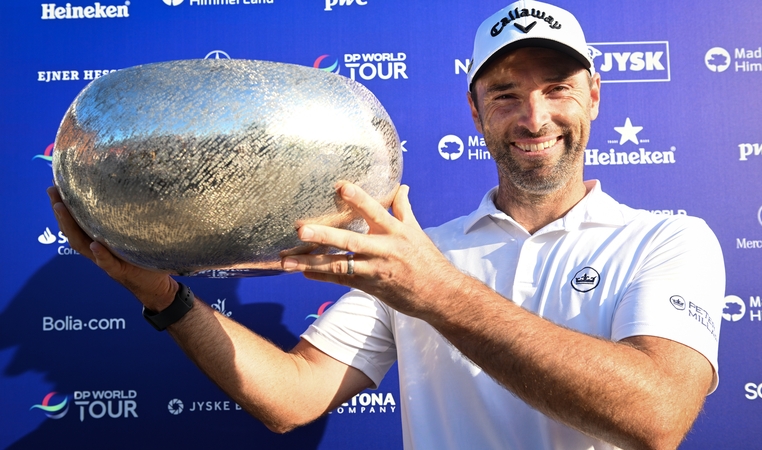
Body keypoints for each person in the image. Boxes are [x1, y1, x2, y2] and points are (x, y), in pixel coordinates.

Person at [48, 1, 724, 449]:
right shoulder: (422, 255)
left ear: (595, 96)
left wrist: (437, 292)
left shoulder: (667, 240)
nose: (534, 118)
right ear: (475, 112)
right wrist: (166, 299)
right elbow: (293, 395)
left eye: (557, 89)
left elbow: (656, 415)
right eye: (506, 94)